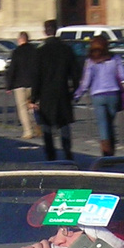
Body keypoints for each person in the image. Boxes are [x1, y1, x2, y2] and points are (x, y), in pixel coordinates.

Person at [34, 20, 80, 162]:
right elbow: (76, 74)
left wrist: (33, 97)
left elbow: (36, 76)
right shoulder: (66, 50)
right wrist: (74, 91)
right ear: (56, 30)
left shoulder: (40, 51)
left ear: (45, 31)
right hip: (62, 91)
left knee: (46, 125)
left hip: (45, 93)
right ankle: (67, 153)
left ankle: (50, 154)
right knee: (64, 124)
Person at [76, 36, 124, 157]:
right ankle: (112, 151)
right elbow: (123, 75)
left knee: (103, 125)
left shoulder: (90, 61)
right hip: (113, 94)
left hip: (97, 95)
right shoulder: (115, 58)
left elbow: (85, 82)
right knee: (110, 123)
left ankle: (106, 153)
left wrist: (78, 95)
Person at [8, 31, 41, 140]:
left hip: (19, 84)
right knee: (33, 106)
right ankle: (38, 125)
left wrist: (9, 85)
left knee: (22, 108)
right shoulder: (35, 51)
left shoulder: (16, 52)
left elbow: (12, 69)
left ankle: (28, 131)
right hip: (33, 83)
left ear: (19, 40)